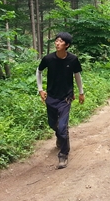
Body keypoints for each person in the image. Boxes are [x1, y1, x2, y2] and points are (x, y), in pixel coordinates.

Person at [36, 32, 84, 169]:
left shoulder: (73, 59)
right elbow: (38, 71)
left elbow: (77, 75)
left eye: (61, 41)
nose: (57, 43)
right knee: (53, 125)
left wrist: (81, 92)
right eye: (56, 41)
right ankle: (61, 137)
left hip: (65, 98)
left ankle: (63, 154)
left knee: (63, 128)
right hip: (51, 97)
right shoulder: (48, 58)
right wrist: (40, 89)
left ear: (67, 45)